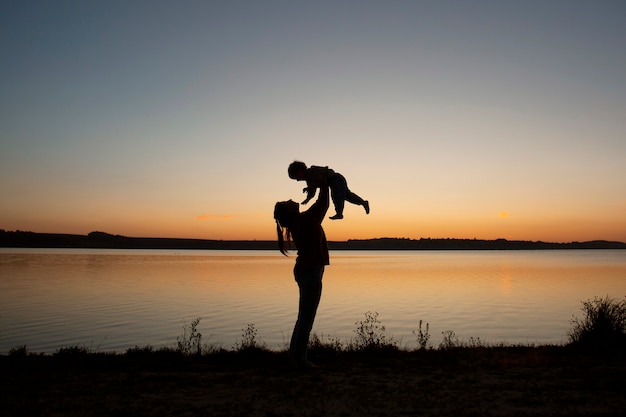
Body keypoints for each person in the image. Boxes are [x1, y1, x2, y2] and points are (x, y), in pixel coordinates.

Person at [274, 180, 330, 368]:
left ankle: (295, 357)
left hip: (308, 270)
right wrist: (324, 182)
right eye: (287, 202)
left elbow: (321, 204)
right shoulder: (304, 220)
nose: (291, 199)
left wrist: (322, 184)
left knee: (303, 317)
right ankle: (299, 360)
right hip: (310, 272)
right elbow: (323, 204)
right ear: (289, 211)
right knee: (306, 318)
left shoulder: (301, 220)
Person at [288, 160, 369, 220]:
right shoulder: (309, 180)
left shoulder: (312, 172)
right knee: (347, 196)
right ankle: (363, 202)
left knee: (337, 196)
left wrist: (310, 187)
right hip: (335, 180)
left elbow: (319, 180)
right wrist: (307, 199)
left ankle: (339, 213)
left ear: (300, 171)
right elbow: (312, 191)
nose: (298, 180)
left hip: (335, 179)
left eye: (297, 177)